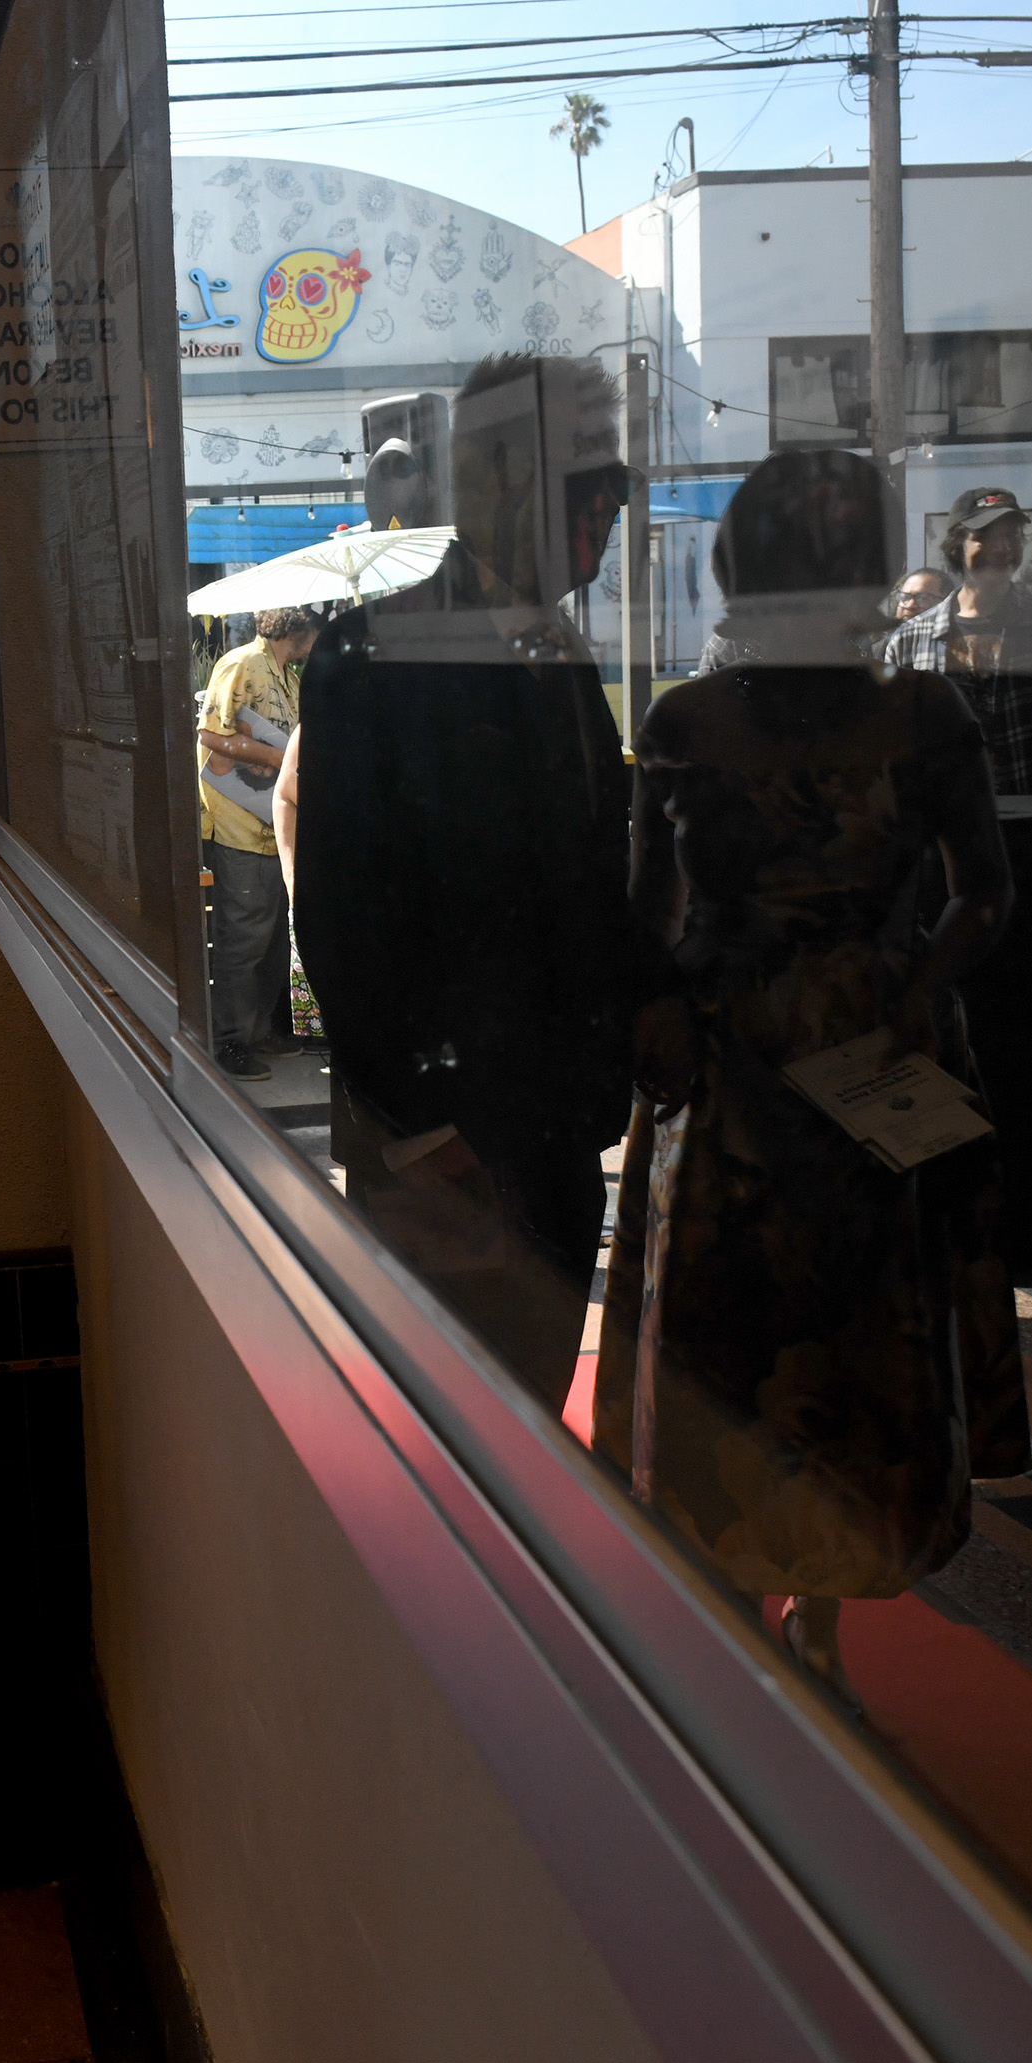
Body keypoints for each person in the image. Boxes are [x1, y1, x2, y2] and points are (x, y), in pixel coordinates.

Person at [594, 448, 1026, 1703]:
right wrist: (911, 988)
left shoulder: (696, 722)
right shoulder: (904, 718)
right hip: (834, 1054)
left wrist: (670, 1004)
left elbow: (649, 914)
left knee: (770, 1343)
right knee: (836, 1346)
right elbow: (982, 897)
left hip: (758, 1065)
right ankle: (798, 1624)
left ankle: (780, 1618)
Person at [280, 354, 634, 1406]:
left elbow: (584, 881)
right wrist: (421, 1131)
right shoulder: (371, 654)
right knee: (441, 1434)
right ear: (496, 480)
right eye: (591, 483)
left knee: (531, 1416)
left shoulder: (560, 655)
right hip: (438, 1149)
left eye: (613, 485)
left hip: (555, 1131)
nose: (609, 511)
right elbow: (339, 916)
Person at [884, 487, 1032, 1161]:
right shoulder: (912, 639)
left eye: (1012, 533)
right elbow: (892, 753)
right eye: (985, 534)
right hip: (944, 850)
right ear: (958, 543)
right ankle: (951, 1121)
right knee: (944, 978)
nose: (1001, 546)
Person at [196, 604, 316, 1078]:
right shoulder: (242, 663)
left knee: (271, 940)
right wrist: (276, 756)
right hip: (240, 826)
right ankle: (230, 1040)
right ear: (298, 626)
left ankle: (259, 1028)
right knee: (242, 940)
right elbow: (211, 734)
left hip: (273, 828)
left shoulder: (289, 678)